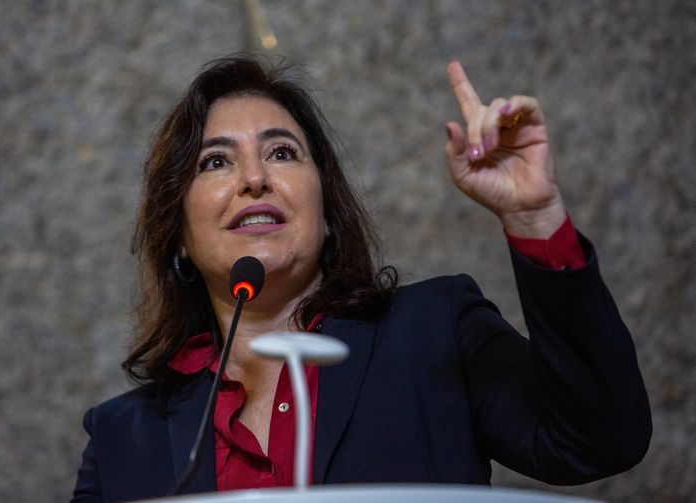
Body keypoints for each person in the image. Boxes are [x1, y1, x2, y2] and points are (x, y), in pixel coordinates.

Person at [71, 54, 651, 502]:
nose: (254, 178)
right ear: (177, 232)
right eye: (215, 161)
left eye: (282, 153)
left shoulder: (433, 334)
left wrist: (534, 219)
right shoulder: (122, 437)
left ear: (326, 216)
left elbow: (599, 439)